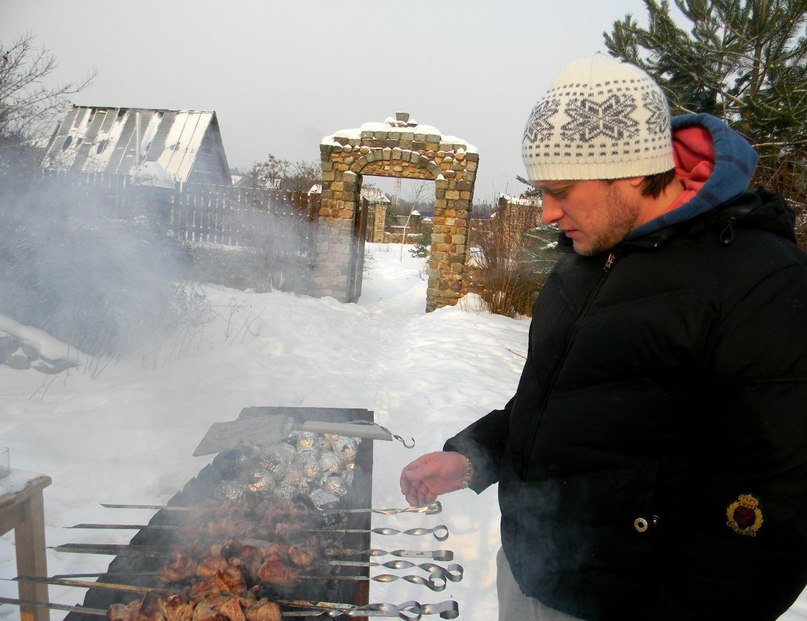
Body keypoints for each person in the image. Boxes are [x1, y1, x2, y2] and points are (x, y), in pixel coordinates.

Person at [400, 53, 807, 621]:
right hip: (531, 573)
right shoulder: (589, 253)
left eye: (561, 190)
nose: (546, 214)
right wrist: (472, 458)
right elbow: (560, 398)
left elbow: (776, 501)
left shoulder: (758, 279)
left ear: (634, 169)